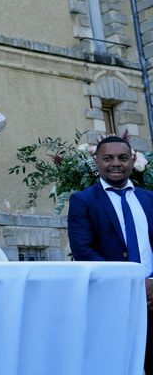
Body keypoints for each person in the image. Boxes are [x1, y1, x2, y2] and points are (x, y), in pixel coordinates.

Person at [68, 135, 153, 374]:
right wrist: (128, 283)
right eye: (108, 158)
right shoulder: (83, 201)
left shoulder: (149, 200)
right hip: (111, 300)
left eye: (123, 158)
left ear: (132, 160)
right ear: (96, 161)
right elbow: (83, 251)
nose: (116, 163)